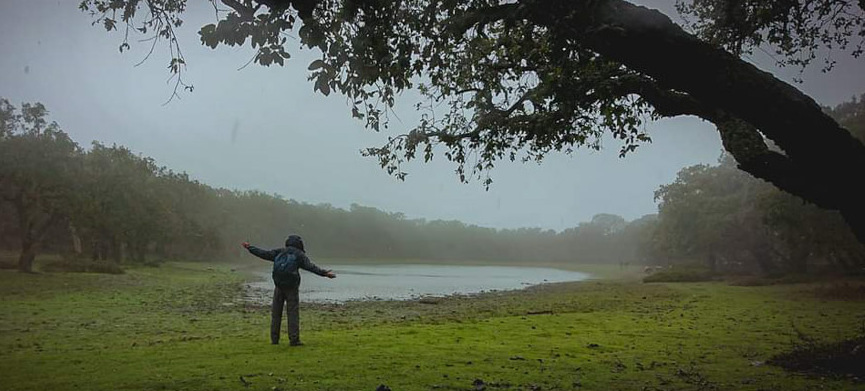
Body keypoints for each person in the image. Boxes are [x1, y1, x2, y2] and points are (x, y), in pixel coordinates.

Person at [242, 235, 336, 346]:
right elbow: (311, 267)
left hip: (279, 285)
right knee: (292, 313)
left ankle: (274, 339)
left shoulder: (280, 252)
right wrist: (325, 273)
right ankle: (294, 340)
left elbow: (264, 254)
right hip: (291, 287)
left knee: (276, 314)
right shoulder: (299, 255)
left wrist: (250, 248)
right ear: (300, 244)